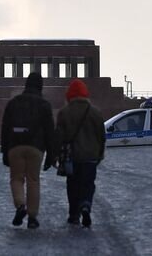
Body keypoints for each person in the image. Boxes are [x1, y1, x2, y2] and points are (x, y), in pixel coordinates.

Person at [0, 72, 54, 229]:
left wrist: (5, 152)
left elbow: (5, 128)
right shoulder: (45, 105)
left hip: (15, 146)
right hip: (36, 148)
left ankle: (20, 205)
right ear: (40, 86)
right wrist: (51, 154)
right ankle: (32, 217)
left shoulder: (13, 103)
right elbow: (50, 131)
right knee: (33, 180)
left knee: (16, 179)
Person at [54, 78, 105, 228]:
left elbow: (59, 136)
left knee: (73, 185)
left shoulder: (64, 112)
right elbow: (101, 136)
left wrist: (55, 155)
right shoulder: (95, 112)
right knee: (88, 183)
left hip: (72, 157)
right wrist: (100, 153)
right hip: (91, 156)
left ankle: (74, 215)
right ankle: (86, 204)